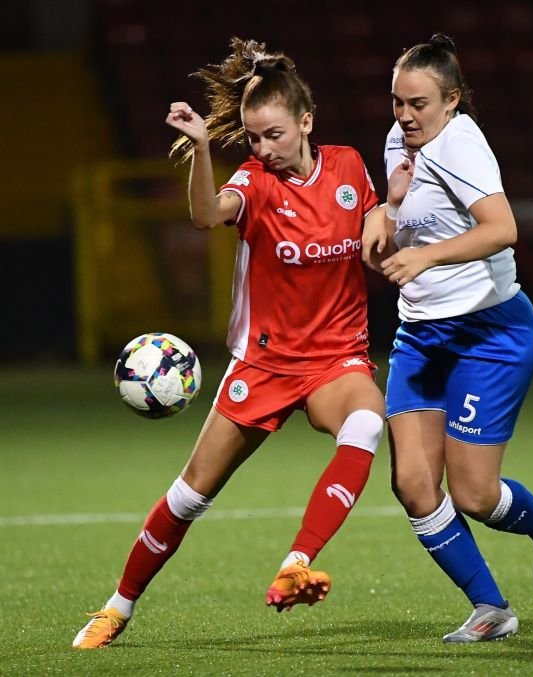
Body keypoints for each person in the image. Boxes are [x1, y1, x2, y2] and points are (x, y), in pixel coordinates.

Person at [72, 37, 385, 649]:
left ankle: (297, 563)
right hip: (265, 363)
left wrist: (382, 220)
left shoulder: (348, 166)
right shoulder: (254, 181)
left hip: (335, 359)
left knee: (368, 425)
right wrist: (203, 148)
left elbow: (371, 214)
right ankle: (117, 608)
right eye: (252, 137)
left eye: (273, 135)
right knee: (189, 496)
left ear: (306, 122)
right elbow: (206, 214)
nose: (263, 148)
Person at [361, 33, 533, 643]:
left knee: (475, 494)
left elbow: (501, 229)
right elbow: (409, 218)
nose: (405, 115)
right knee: (413, 484)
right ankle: (491, 607)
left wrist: (426, 258)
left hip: (490, 333)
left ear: (452, 100)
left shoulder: (463, 142)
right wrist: (385, 212)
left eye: (419, 103)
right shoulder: (402, 141)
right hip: (422, 336)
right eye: (397, 101)